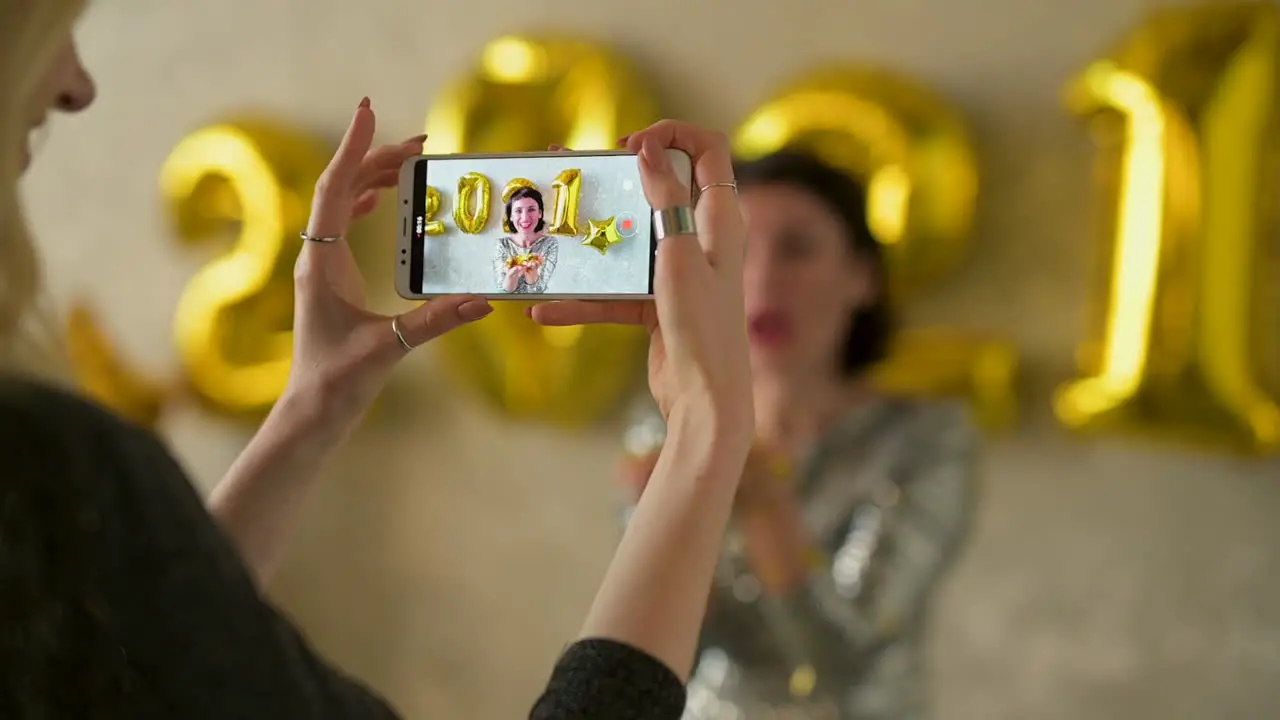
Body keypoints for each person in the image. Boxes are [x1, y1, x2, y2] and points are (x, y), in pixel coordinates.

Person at [2, 2, 756, 717]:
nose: (80, 84)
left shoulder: (46, 473)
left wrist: (314, 406)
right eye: (56, 27)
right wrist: (705, 424)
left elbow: (136, 680)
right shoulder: (45, 461)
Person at [618, 150, 979, 719]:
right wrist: (669, 538)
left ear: (862, 277)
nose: (763, 278)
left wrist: (765, 507)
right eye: (737, 252)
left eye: (798, 249)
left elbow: (842, 663)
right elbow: (648, 659)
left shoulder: (925, 439)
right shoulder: (664, 420)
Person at [495, 186, 559, 293]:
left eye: (531, 210)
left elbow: (539, 291)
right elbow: (502, 290)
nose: (525, 218)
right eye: (518, 211)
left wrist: (532, 274)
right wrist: (511, 276)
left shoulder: (550, 243)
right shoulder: (502, 244)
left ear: (540, 213)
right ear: (510, 216)